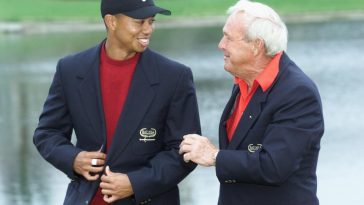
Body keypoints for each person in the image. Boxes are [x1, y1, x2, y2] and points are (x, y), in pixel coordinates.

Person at [33, 0, 201, 204]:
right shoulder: (70, 69)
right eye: (140, 22)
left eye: (151, 21)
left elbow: (185, 151)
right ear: (111, 22)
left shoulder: (175, 76)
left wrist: (136, 183)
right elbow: (47, 133)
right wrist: (73, 159)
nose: (148, 29)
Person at [179, 0, 324, 204]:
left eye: (228, 38)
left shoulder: (298, 93)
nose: (220, 45)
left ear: (257, 46)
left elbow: (274, 166)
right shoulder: (243, 81)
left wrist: (214, 156)